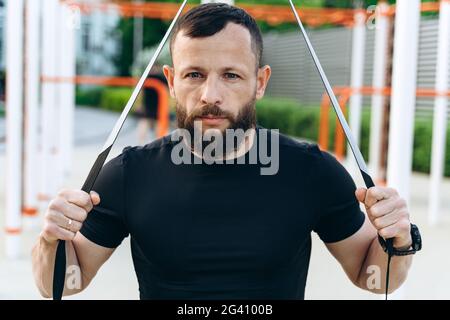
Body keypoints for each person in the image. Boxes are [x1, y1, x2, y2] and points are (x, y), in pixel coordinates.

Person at [32, 3, 419, 299]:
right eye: (194, 74)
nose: (210, 96)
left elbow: (372, 278)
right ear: (171, 80)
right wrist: (51, 240)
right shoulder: (128, 174)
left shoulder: (311, 172)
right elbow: (64, 283)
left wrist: (399, 240)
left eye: (231, 75)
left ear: (260, 82)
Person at [135, 66, 168, 144]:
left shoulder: (161, 78)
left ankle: (159, 145)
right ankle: (141, 144)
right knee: (144, 126)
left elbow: (168, 92)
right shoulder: (147, 77)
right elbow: (141, 92)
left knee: (158, 129)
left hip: (158, 107)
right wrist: (139, 104)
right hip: (149, 106)